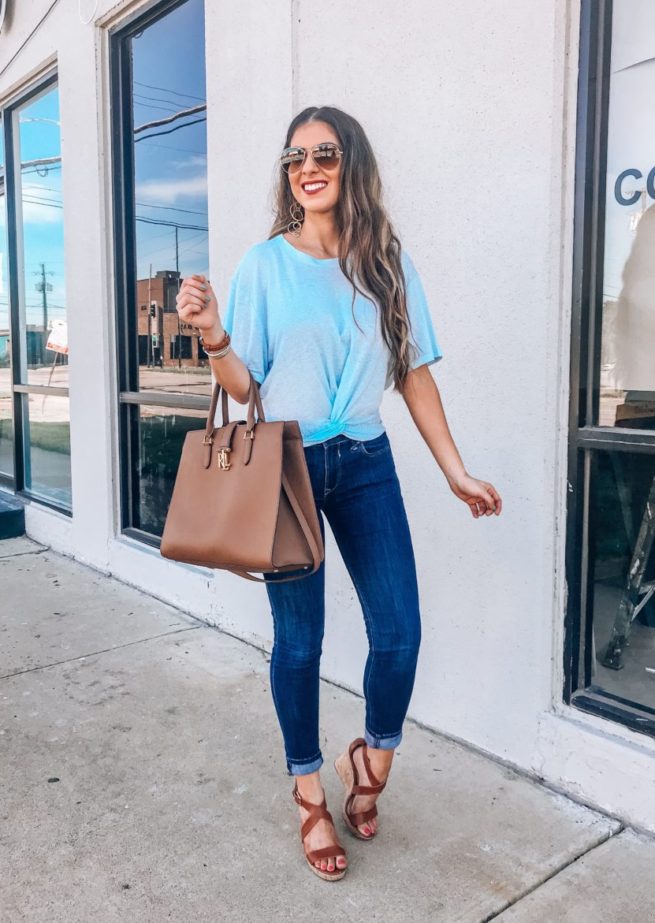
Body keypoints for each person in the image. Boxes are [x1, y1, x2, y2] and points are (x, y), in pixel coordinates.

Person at [175, 105, 502, 882]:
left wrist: (454, 468)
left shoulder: (383, 261)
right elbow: (245, 383)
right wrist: (215, 333)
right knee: (300, 641)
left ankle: (373, 759)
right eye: (295, 157)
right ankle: (307, 792)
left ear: (351, 163)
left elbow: (412, 372)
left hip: (365, 458)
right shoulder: (263, 264)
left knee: (399, 632)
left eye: (323, 152)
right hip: (281, 466)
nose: (307, 167)